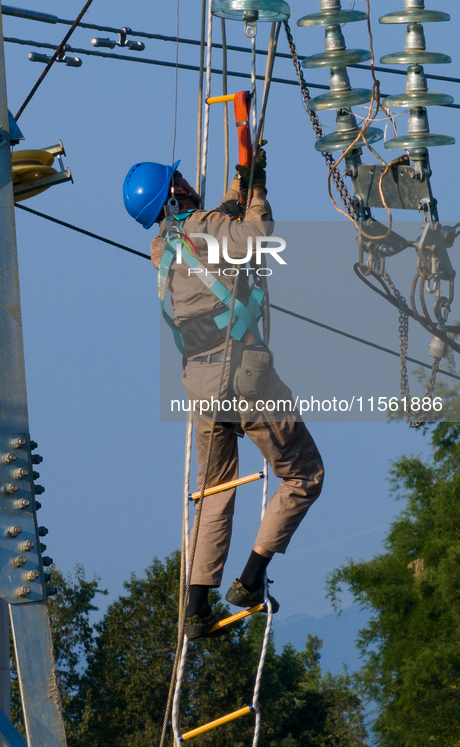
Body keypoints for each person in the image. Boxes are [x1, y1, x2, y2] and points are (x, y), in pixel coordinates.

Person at [123, 157, 324, 639]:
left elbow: (211, 229)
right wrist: (256, 196)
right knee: (303, 475)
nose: (189, 182)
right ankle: (250, 580)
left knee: (215, 491)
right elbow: (254, 237)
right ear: (174, 193)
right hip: (244, 375)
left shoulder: (161, 250)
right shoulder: (211, 228)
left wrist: (239, 184)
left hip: (201, 384)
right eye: (180, 181)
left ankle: (195, 608)